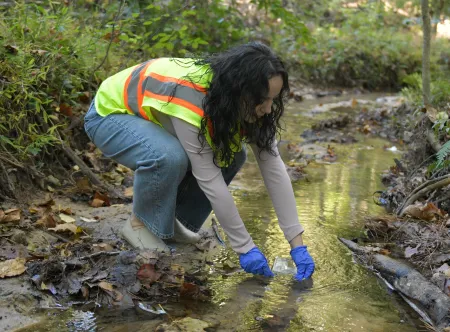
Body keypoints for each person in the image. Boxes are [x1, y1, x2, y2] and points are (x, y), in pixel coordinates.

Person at [84, 42, 315, 280]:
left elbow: (274, 170)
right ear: (240, 91)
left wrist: (297, 244)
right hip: (109, 115)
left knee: (234, 155)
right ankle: (141, 225)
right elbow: (209, 177)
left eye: (273, 100)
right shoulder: (194, 95)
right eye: (263, 100)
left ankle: (172, 224)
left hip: (151, 119)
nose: (268, 109)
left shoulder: (250, 107)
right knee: (168, 156)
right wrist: (245, 247)